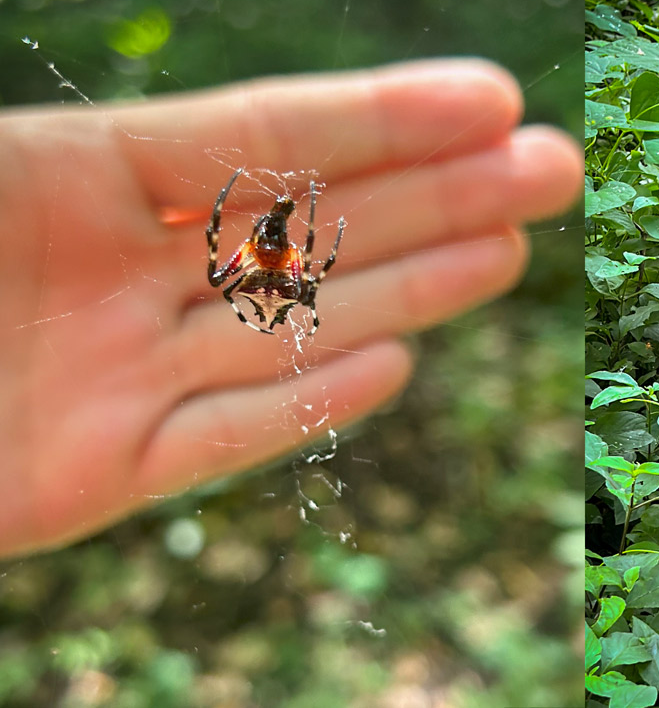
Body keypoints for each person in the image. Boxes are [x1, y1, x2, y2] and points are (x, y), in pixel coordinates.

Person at [0, 58, 582, 559]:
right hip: (266, 256)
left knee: (267, 280)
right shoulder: (261, 271)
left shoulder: (255, 273)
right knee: (265, 278)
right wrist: (282, 251)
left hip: (265, 257)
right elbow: (290, 270)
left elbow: (289, 270)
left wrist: (287, 260)